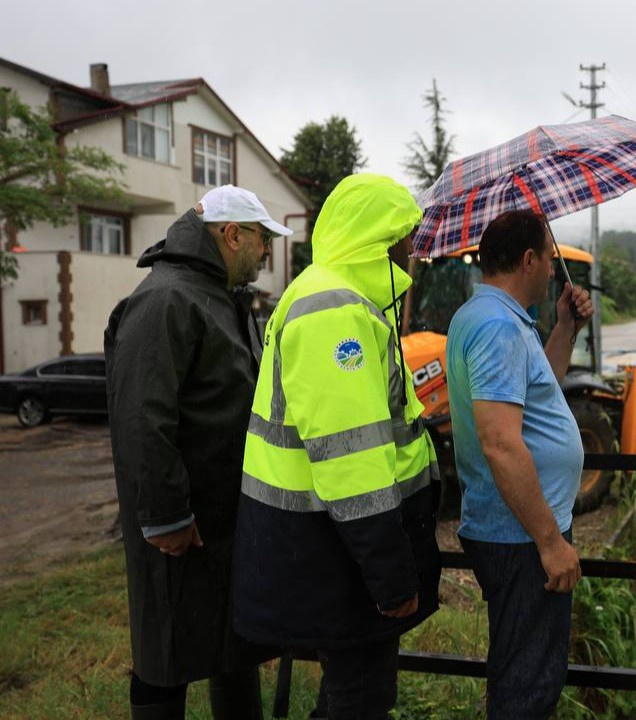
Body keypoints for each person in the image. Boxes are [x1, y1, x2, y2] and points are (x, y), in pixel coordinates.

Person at [232, 173, 441, 720]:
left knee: (356, 688)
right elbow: (352, 463)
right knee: (362, 694)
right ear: (379, 237)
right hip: (331, 550)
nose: (413, 248)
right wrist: (393, 579)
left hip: (328, 545)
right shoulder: (335, 309)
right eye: (406, 234)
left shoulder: (339, 297)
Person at [105, 185, 290, 719]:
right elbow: (142, 417)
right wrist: (165, 516)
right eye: (261, 240)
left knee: (230, 649)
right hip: (179, 529)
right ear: (232, 235)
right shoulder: (166, 299)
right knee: (167, 652)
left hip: (224, 523)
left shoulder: (221, 297)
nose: (265, 252)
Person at [445, 209, 593, 720]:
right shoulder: (495, 327)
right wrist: (551, 543)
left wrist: (565, 325)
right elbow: (501, 444)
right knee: (527, 688)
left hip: (518, 531)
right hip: (523, 537)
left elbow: (539, 388)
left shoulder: (494, 317)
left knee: (524, 672)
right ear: (529, 259)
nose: (553, 270)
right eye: (549, 259)